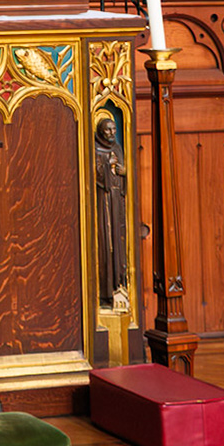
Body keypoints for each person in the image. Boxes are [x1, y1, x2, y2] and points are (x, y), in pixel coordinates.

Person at [94, 116, 129, 306]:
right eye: (107, 130)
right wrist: (109, 166)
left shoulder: (117, 147)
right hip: (104, 201)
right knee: (107, 242)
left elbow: (124, 173)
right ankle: (106, 292)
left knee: (119, 241)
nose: (112, 133)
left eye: (114, 129)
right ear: (100, 131)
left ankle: (120, 284)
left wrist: (123, 171)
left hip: (117, 200)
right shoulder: (95, 148)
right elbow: (97, 174)